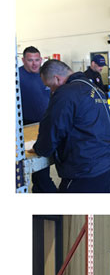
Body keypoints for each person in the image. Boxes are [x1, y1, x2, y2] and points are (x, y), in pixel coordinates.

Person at [32, 60, 110, 193]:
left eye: (50, 86)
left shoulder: (65, 93)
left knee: (73, 213)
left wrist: (39, 148)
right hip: (108, 162)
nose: (51, 91)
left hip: (84, 169)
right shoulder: (94, 88)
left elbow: (52, 129)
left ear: (57, 79)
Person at [18, 46, 57, 193]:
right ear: (23, 60)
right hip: (26, 128)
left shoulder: (45, 74)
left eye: (37, 60)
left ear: (41, 59)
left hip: (45, 125)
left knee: (43, 166)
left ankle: (40, 190)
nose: (34, 64)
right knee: (37, 166)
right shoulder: (16, 76)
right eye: (30, 60)